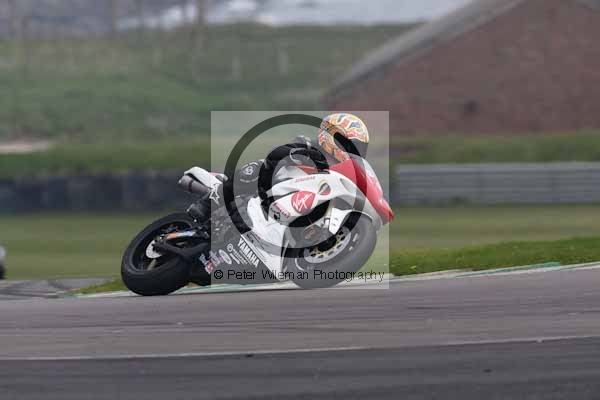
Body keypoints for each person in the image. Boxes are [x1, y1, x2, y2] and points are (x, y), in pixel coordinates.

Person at [187, 113, 370, 222]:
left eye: (357, 148)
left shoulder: (343, 173)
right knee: (257, 167)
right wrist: (301, 154)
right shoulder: (309, 145)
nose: (351, 151)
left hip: (296, 207)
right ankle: (207, 204)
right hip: (268, 189)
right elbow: (275, 155)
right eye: (348, 144)